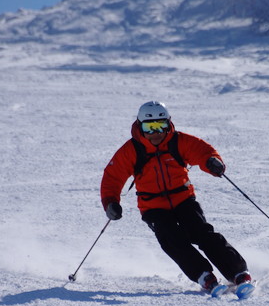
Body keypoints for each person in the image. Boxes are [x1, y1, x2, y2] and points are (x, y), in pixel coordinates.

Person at [100, 101, 251, 293]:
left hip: (183, 199)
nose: (155, 132)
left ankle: (238, 273)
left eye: (160, 126)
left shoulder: (178, 141)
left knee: (201, 232)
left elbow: (202, 151)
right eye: (149, 127)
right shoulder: (131, 150)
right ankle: (204, 275)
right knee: (171, 239)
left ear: (168, 124)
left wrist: (212, 162)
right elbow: (112, 177)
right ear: (140, 126)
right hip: (153, 206)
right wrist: (111, 203)